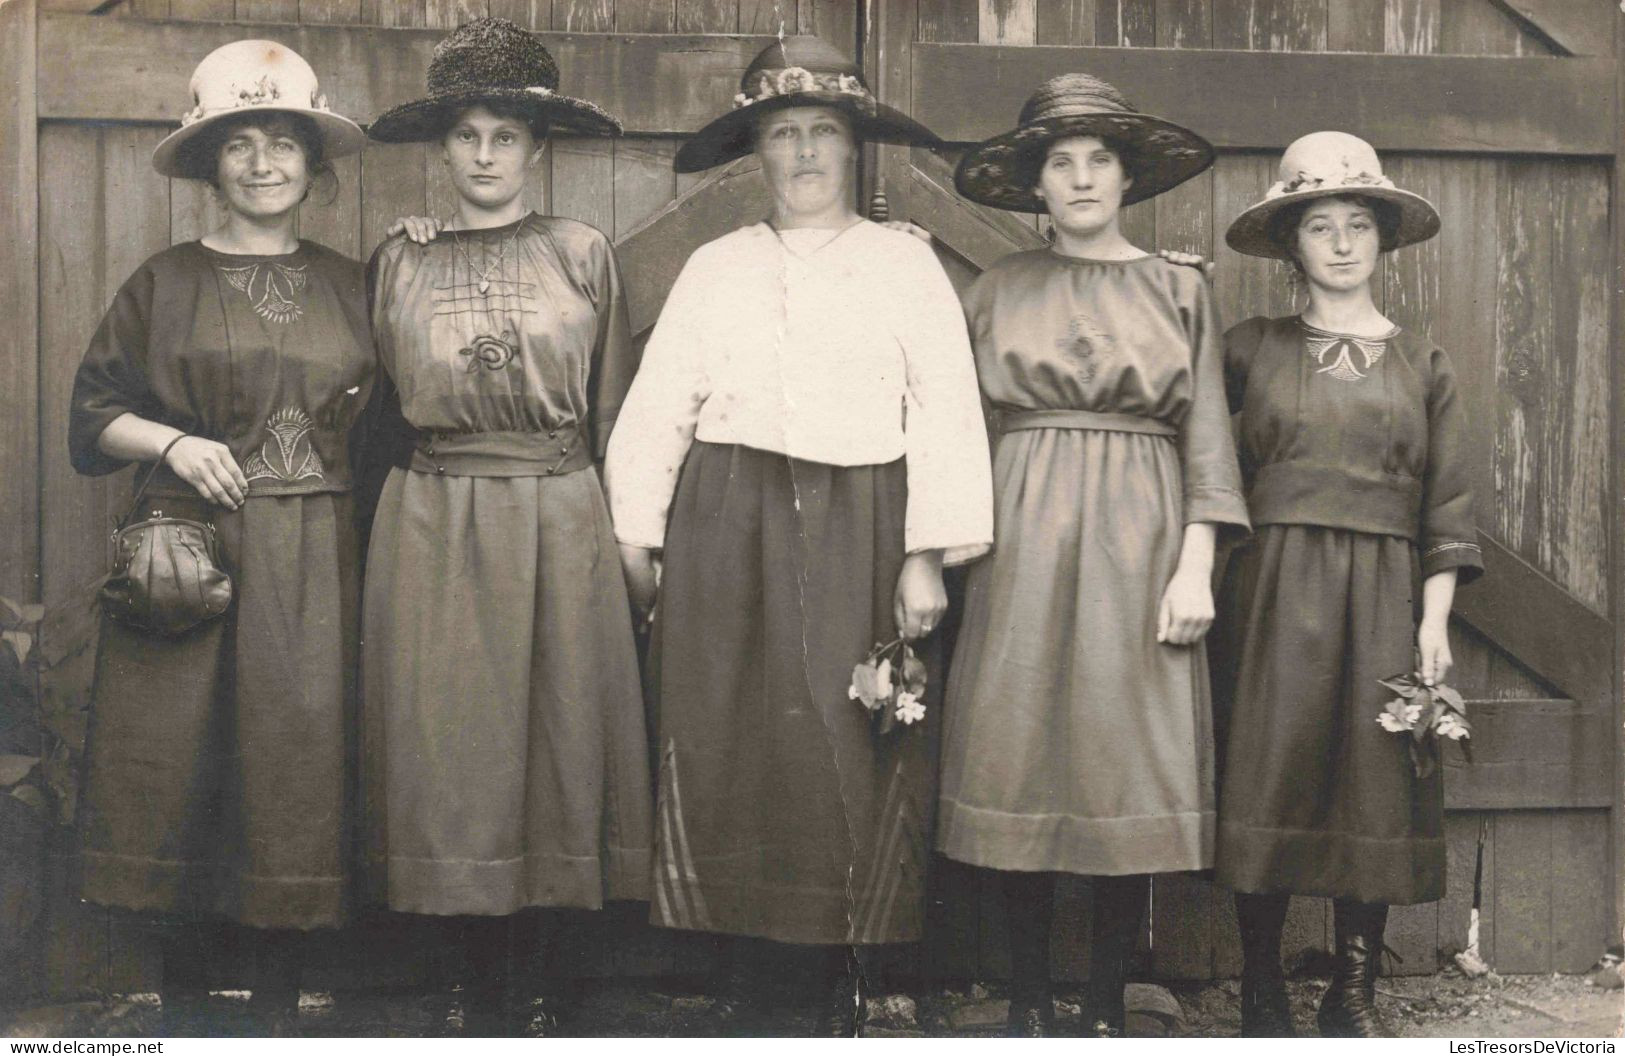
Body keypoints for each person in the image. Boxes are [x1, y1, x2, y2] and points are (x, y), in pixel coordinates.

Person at [603, 36, 993, 1036]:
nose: (806, 154)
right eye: (784, 134)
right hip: (728, 520)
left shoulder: (903, 263)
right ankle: (743, 970)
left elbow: (944, 407)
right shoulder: (714, 266)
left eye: (824, 132)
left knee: (846, 735)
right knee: (730, 732)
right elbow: (659, 410)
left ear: (854, 148)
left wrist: (924, 555)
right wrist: (637, 539)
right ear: (757, 153)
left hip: (863, 518)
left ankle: (840, 971)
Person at [67, 41, 371, 1035]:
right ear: (210, 164)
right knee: (175, 767)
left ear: (313, 164)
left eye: (282, 142)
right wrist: (175, 441)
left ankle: (278, 1012)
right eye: (237, 145)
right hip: (189, 549)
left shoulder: (355, 283)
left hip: (315, 555)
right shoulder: (165, 281)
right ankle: (185, 1014)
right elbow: (92, 415)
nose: (261, 163)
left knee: (292, 768)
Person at [937, 73, 1249, 1037]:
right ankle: (1029, 1004)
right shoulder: (993, 290)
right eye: (1058, 162)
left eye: (1097, 159)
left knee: (1127, 759)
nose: (1079, 178)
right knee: (1018, 747)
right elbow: (953, 428)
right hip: (1021, 526)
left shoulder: (1178, 287)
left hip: (1142, 533)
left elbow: (1207, 436)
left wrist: (1196, 560)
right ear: (1034, 185)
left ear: (1127, 177)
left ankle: (1106, 1004)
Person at [361, 18, 652, 1035]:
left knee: (561, 733)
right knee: (452, 747)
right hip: (434, 518)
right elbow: (370, 414)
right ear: (442, 149)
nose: (484, 156)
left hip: (560, 512)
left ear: (537, 150)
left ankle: (554, 986)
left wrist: (629, 535)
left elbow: (618, 405)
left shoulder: (582, 253)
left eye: (505, 137)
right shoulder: (396, 259)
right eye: (467, 136)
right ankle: (470, 984)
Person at [1212, 130, 1482, 1038]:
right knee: (1271, 765)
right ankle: (1261, 991)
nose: (1337, 242)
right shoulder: (1247, 348)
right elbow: (1204, 473)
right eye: (1317, 224)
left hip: (1382, 590)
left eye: (1356, 224)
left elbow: (1445, 503)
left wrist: (1432, 622)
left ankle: (1352, 995)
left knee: (1373, 777)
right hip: (1271, 585)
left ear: (1382, 241)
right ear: (1290, 242)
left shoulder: (1423, 363)